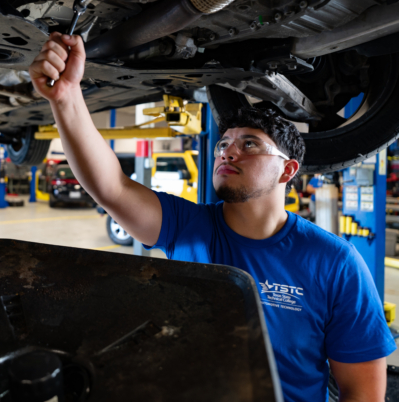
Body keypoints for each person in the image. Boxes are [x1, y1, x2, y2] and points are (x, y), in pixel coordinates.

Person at [29, 32, 396, 402]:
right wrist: (66, 97)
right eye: (223, 144)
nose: (227, 153)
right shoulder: (188, 227)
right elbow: (113, 187)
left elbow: (363, 393)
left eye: (248, 144)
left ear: (287, 171)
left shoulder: (334, 262)